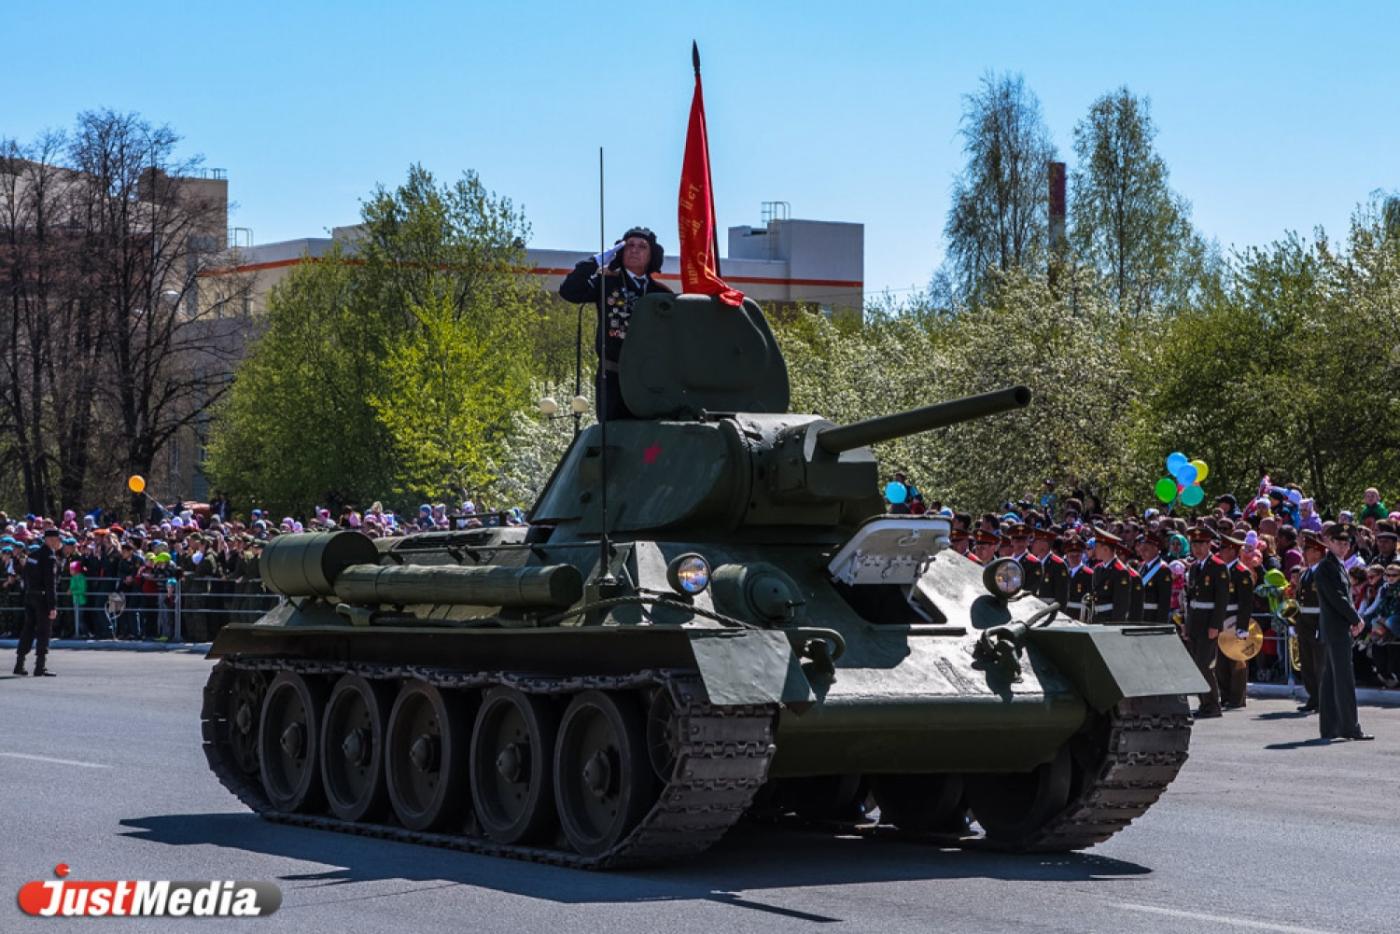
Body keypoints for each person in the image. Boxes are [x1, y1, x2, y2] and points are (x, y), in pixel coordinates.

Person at [558, 226, 673, 421]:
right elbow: (569, 291)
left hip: (649, 378)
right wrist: (595, 262)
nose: (634, 250)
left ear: (651, 255)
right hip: (613, 377)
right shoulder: (606, 283)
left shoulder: (661, 293)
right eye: (629, 245)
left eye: (642, 246)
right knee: (612, 433)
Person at [1313, 524, 1372, 741]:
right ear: (1329, 542)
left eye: (1346, 543)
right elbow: (1338, 597)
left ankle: (1330, 728)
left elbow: (1342, 597)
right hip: (1336, 629)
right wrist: (1355, 619)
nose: (1343, 546)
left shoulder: (1336, 565)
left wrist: (1352, 619)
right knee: (1344, 680)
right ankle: (1349, 728)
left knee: (1331, 680)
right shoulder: (1327, 567)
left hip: (1336, 628)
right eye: (1338, 542)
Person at [1185, 527, 1230, 719]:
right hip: (1195, 621)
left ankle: (1212, 705)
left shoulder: (1218, 567)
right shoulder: (1195, 567)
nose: (1197, 548)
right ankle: (1204, 703)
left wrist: (1216, 625)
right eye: (1194, 544)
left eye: (1201, 544)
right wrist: (1187, 624)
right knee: (1197, 665)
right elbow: (1190, 598)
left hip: (1208, 622)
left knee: (1204, 665)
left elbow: (1222, 599)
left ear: (1209, 544)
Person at [13, 527, 61, 677]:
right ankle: (40, 666)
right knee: (43, 631)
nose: (58, 543)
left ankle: (19, 664)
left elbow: (25, 575)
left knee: (27, 629)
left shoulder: (33, 555)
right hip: (42, 598)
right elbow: (50, 583)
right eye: (56, 540)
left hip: (30, 596)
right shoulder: (49, 557)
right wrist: (52, 606)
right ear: (51, 540)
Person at [1292, 532, 1325, 712]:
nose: (1304, 553)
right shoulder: (1306, 572)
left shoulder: (1323, 572)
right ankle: (1313, 697)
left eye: (1308, 550)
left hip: (1317, 621)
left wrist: (1322, 625)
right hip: (1304, 622)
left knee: (1319, 663)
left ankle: (1323, 699)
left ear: (1318, 552)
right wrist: (1295, 621)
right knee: (1307, 663)